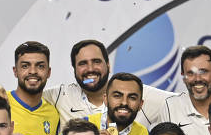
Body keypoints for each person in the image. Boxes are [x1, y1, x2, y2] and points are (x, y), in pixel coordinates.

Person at [31, 72, 149, 135]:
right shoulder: (82, 126)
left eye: (132, 97)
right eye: (117, 96)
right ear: (105, 99)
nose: (124, 102)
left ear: (140, 104)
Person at [44, 39, 173, 126]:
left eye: (96, 62)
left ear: (108, 65)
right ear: (74, 69)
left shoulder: (136, 93)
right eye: (83, 63)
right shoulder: (60, 96)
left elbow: (180, 103)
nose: (90, 69)